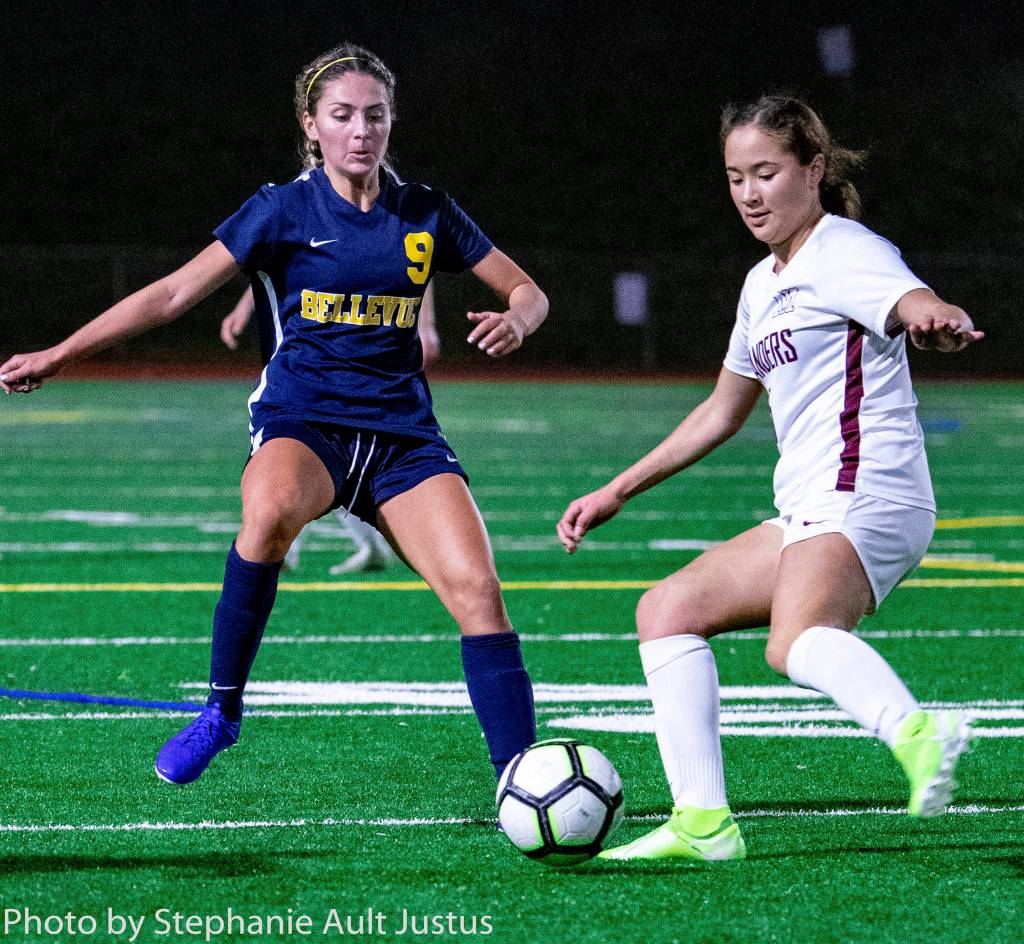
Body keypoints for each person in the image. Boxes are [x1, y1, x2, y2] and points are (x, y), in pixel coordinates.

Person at [1, 43, 548, 790]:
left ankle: (522, 778)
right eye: (343, 116)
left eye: (376, 116)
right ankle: (221, 713)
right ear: (312, 125)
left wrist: (519, 319)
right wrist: (62, 352)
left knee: (479, 594)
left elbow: (528, 290)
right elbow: (169, 295)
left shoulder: (426, 212)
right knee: (267, 516)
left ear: (392, 124)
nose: (361, 131)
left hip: (404, 441)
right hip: (306, 421)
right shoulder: (281, 209)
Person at [556, 95, 983, 863]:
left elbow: (913, 301)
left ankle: (917, 730)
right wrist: (617, 489)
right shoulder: (763, 284)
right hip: (812, 504)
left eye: (767, 173)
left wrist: (936, 318)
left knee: (797, 641)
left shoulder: (843, 249)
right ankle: (703, 824)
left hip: (869, 489)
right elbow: (722, 410)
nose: (750, 194)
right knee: (668, 610)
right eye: (735, 177)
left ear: (813, 170)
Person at [220, 278, 441, 573]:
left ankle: (285, 545)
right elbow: (275, 254)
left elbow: (417, 255)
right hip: (304, 353)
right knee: (307, 452)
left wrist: (425, 323)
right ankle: (291, 543)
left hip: (351, 351)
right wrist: (245, 306)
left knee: (324, 448)